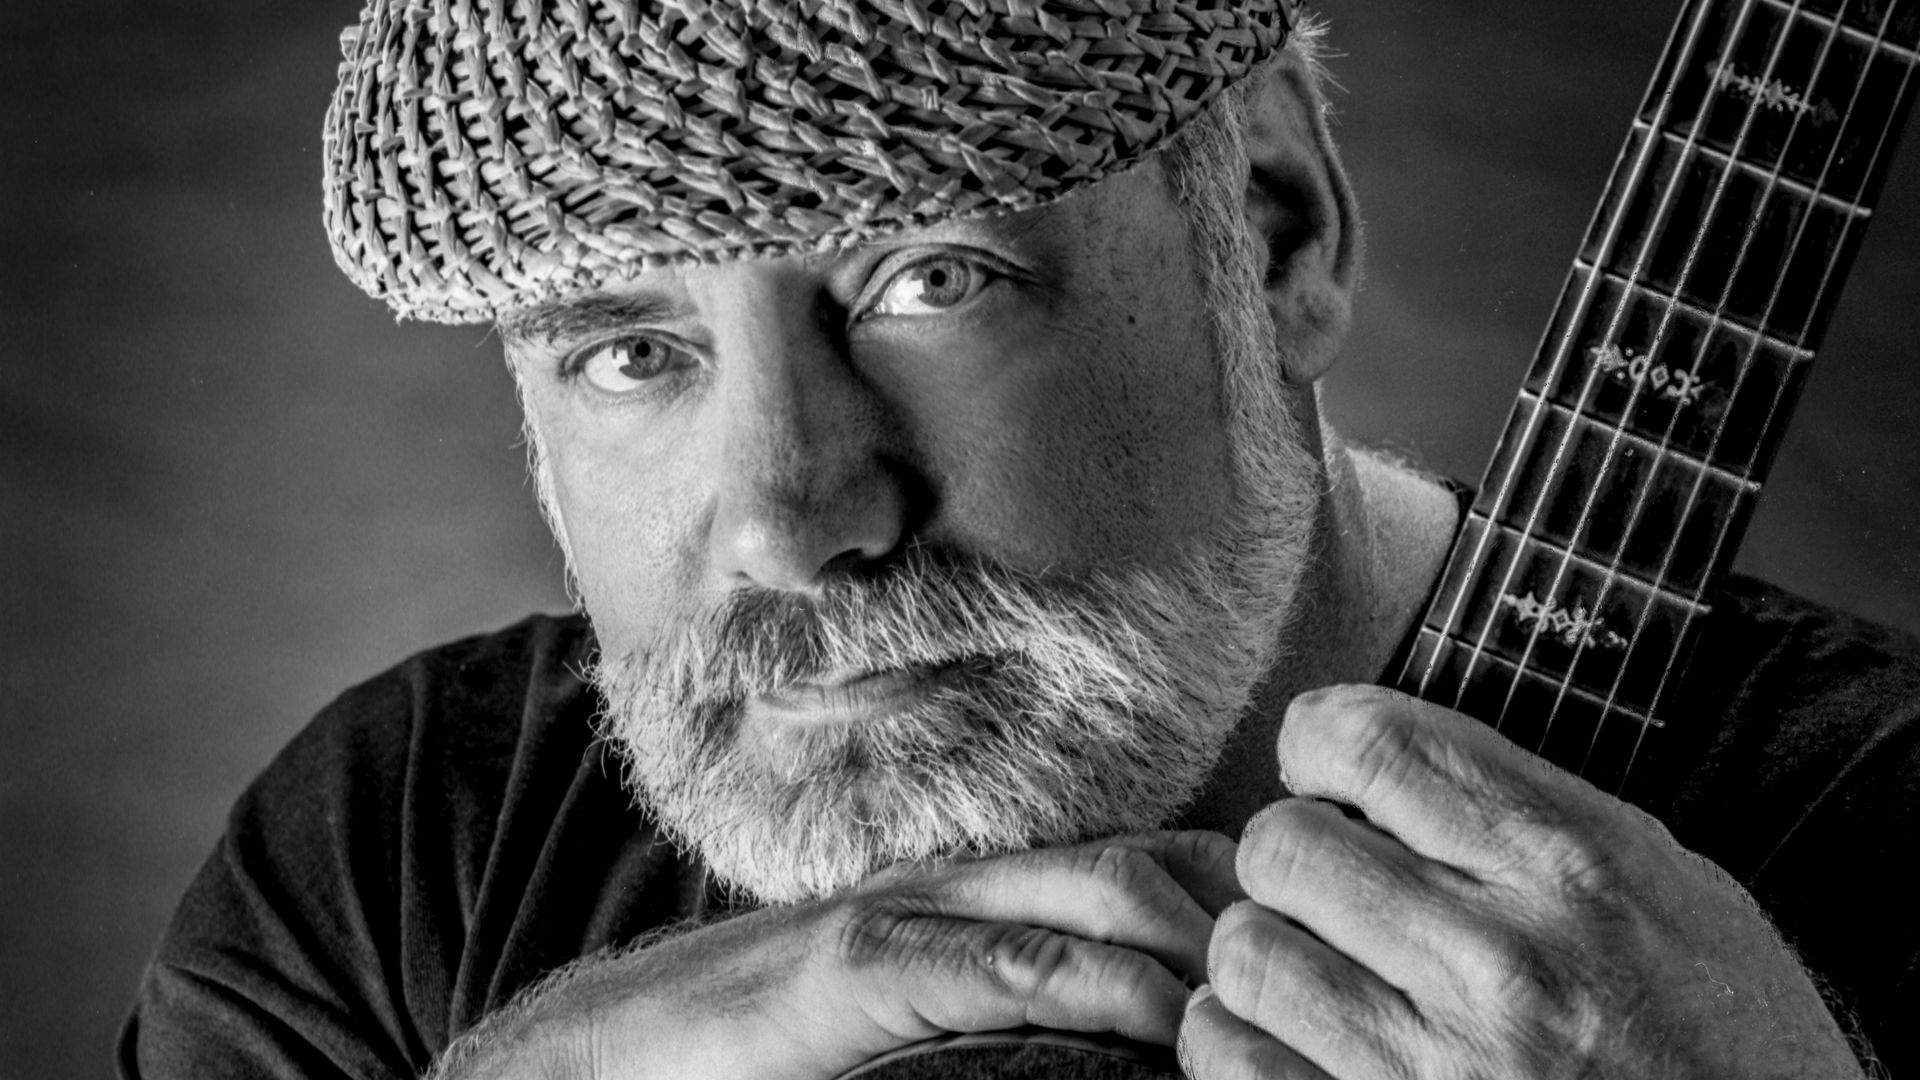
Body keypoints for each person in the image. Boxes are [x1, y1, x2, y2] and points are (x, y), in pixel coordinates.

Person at [121, 0, 1919, 1077]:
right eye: (629, 351)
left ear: (1278, 235)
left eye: (929, 278)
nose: (790, 520)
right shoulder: (389, 865)